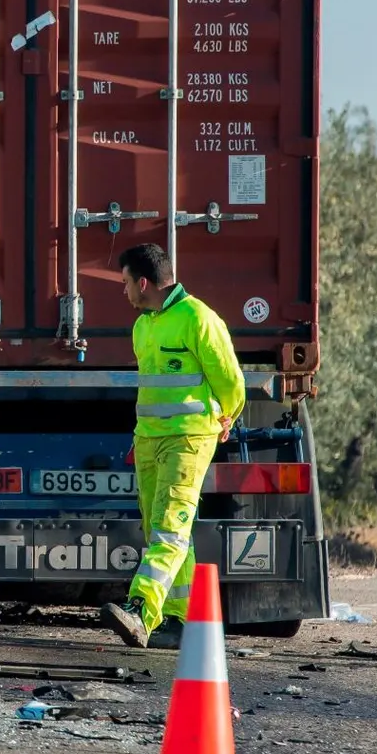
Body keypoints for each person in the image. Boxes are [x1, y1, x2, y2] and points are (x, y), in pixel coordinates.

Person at [101, 243, 244, 649]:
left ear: (143, 282)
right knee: (162, 531)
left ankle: (141, 611)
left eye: (126, 282)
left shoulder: (198, 319)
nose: (125, 291)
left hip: (188, 440)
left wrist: (226, 416)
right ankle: (181, 621)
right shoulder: (143, 326)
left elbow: (231, 383)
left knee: (169, 530)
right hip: (148, 440)